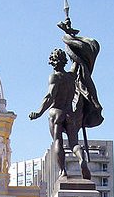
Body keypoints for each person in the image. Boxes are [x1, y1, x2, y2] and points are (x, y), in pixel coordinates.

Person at [29, 48, 91, 179]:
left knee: (58, 141)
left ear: (52, 62)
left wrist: (39, 112)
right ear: (64, 61)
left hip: (56, 112)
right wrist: (75, 47)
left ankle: (63, 171)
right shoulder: (71, 76)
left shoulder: (55, 77)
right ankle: (81, 159)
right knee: (74, 143)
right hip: (70, 113)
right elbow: (77, 61)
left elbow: (50, 97)